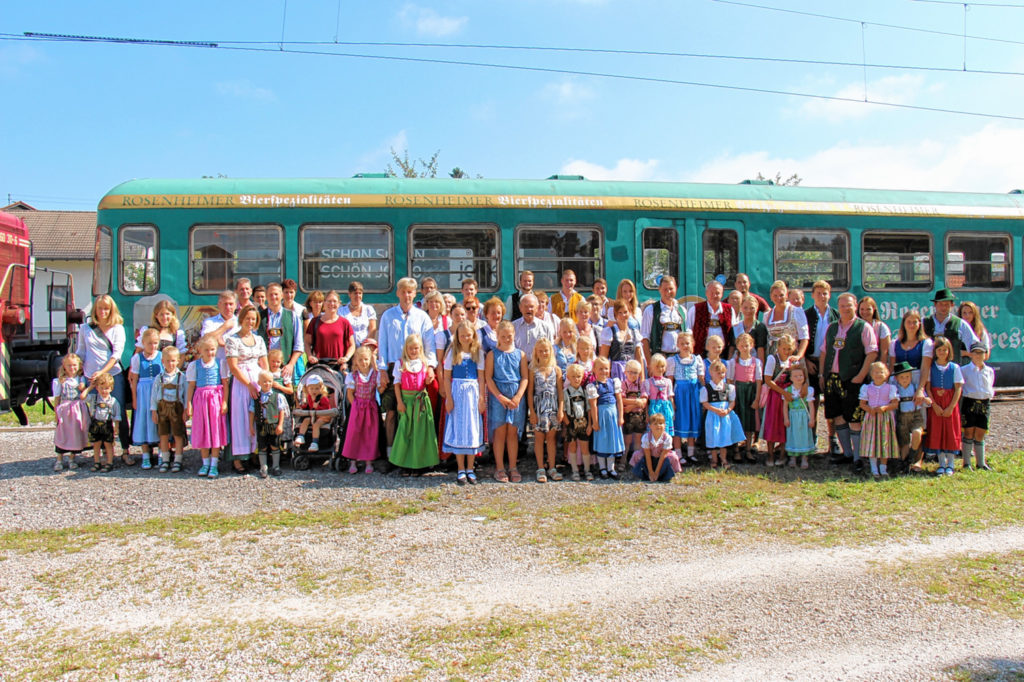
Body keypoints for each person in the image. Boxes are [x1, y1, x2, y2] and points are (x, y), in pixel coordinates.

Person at [378, 278, 438, 462]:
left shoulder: (422, 317)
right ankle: (390, 455)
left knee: (415, 416)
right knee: (392, 412)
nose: (406, 295)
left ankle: (415, 456)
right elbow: (382, 344)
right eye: (403, 291)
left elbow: (430, 347)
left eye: (410, 292)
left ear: (415, 294)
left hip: (416, 371)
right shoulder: (388, 316)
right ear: (398, 293)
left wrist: (430, 367)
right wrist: (381, 371)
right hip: (393, 369)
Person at [819, 292, 878, 471]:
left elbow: (872, 352)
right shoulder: (831, 328)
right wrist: (823, 375)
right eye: (842, 306)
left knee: (854, 418)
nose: (846, 308)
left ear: (855, 306)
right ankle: (847, 454)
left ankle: (858, 457)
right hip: (833, 378)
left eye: (849, 305)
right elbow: (824, 352)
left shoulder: (863, 327)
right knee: (838, 416)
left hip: (852, 378)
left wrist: (861, 375)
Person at [76, 294, 132, 465]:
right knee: (96, 415)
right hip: (90, 375)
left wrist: (102, 372)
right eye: (100, 308)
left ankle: (125, 450)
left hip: (112, 375)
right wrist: (78, 375)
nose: (103, 311)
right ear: (95, 310)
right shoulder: (85, 329)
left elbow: (116, 354)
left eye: (106, 308)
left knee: (119, 412)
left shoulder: (118, 328)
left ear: (111, 309)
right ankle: (100, 453)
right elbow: (81, 352)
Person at [225, 305, 269, 473]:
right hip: (241, 382)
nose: (250, 322)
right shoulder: (232, 340)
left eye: (253, 319)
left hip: (257, 378)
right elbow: (233, 367)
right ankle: (238, 458)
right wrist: (248, 384)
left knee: (257, 416)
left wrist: (265, 380)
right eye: (247, 318)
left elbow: (264, 363)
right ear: (241, 319)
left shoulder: (258, 339)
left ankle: (255, 453)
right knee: (241, 418)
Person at [442, 321, 486, 484]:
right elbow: (446, 377)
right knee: (459, 428)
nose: (466, 338)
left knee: (471, 428)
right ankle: (461, 468)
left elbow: (481, 377)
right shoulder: (452, 352)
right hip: (457, 392)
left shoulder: (478, 353)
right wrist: (449, 398)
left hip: (472, 393)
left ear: (473, 336)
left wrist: (481, 398)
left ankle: (470, 468)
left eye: (468, 335)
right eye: (462, 336)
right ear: (457, 337)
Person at [390, 334, 440, 475]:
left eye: (416, 348)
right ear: (406, 348)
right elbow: (397, 385)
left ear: (420, 349)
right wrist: (399, 402)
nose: (413, 351)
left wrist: (429, 380)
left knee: (421, 432)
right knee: (406, 432)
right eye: (411, 348)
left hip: (421, 402)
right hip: (407, 401)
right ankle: (404, 463)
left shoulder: (424, 363)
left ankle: (420, 464)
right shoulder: (401, 363)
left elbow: (427, 382)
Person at [486, 321, 528, 482]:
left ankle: (513, 466)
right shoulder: (492, 354)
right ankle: (499, 467)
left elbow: (524, 377)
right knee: (500, 432)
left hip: (516, 396)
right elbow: (489, 378)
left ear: (514, 335)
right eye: (503, 336)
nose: (506, 339)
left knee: (513, 433)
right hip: (499, 397)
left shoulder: (520, 354)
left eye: (509, 336)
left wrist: (518, 396)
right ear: (498, 336)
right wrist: (499, 396)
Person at [186, 334, 229, 479]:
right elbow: (191, 386)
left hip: (215, 399)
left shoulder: (220, 363)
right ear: (200, 350)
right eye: (206, 350)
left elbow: (225, 384)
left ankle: (214, 464)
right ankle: (205, 462)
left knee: (215, 430)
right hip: (200, 400)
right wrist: (189, 404)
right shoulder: (195, 365)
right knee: (203, 430)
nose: (210, 353)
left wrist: (224, 402)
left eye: (212, 350)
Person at [805, 280, 839, 455]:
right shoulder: (806, 315)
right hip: (811, 362)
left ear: (829, 295)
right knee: (812, 402)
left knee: (831, 404)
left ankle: (832, 440)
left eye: (825, 293)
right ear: (812, 295)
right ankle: (812, 437)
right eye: (818, 293)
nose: (822, 296)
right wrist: (805, 361)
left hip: (831, 364)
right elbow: (800, 340)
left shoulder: (836, 315)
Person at [926, 336, 963, 476]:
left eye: (944, 350)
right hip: (936, 404)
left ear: (949, 351)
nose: (942, 352)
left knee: (950, 432)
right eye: (939, 349)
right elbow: (928, 388)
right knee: (938, 432)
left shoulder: (954, 368)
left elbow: (958, 388)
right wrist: (934, 405)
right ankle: (941, 463)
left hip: (949, 404)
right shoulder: (931, 367)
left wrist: (951, 407)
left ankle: (951, 464)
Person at [341, 346, 381, 473]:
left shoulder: (375, 375)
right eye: (361, 360)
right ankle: (353, 461)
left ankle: (369, 461)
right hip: (358, 408)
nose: (364, 362)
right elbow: (350, 394)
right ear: (356, 362)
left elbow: (379, 389)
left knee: (370, 434)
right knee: (355, 433)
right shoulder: (353, 376)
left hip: (370, 407)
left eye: (366, 359)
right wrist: (356, 407)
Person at [529, 338, 563, 483]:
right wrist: (532, 411)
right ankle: (540, 468)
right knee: (539, 438)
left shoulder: (556, 370)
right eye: (540, 350)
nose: (543, 353)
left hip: (553, 407)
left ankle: (552, 466)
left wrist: (561, 409)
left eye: (546, 350)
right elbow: (530, 392)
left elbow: (560, 392)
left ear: (551, 351)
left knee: (551, 438)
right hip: (539, 407)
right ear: (536, 352)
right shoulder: (533, 369)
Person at [700, 360, 745, 469]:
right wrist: (715, 410)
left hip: (725, 416)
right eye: (718, 372)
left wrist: (727, 410)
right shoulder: (706, 388)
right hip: (713, 416)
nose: (721, 375)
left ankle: (723, 459)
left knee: (724, 437)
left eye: (723, 373)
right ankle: (714, 459)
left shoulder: (729, 388)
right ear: (711, 373)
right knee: (713, 437)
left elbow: (732, 401)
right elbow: (704, 403)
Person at [150, 346, 187, 473]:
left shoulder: (181, 377)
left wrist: (187, 410)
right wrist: (154, 411)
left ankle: (178, 459)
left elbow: (186, 395)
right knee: (163, 435)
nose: (170, 364)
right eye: (167, 361)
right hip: (162, 409)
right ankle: (165, 459)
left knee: (178, 434)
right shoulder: (159, 378)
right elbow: (154, 396)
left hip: (177, 409)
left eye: (173, 360)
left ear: (178, 361)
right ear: (162, 361)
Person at [859, 362, 899, 480]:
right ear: (871, 374)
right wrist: (869, 409)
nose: (878, 374)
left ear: (887, 374)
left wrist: (885, 408)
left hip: (885, 418)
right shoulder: (866, 388)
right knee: (872, 441)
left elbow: (895, 403)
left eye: (881, 372)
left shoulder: (890, 388)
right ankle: (873, 468)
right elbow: (862, 404)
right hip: (872, 418)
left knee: (884, 442)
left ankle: (883, 467)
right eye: (876, 372)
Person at [258, 283, 305, 384]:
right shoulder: (259, 317)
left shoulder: (292, 316)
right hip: (264, 367)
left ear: (281, 295)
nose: (273, 297)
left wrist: (291, 365)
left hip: (285, 367)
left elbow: (299, 345)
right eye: (270, 294)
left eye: (276, 294)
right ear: (266, 296)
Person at [128, 328, 162, 468]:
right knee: (143, 419)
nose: (152, 346)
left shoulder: (160, 356)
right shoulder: (137, 358)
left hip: (157, 390)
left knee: (158, 421)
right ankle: (146, 455)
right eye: (149, 343)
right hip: (143, 391)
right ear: (143, 343)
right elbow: (134, 380)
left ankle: (161, 453)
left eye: (155, 343)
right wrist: (134, 399)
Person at [889, 310, 934, 413]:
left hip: (917, 380)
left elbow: (925, 368)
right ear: (904, 323)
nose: (911, 325)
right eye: (909, 322)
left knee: (916, 417)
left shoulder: (926, 343)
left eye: (915, 322)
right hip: (898, 383)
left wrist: (920, 390)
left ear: (919, 324)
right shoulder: (894, 343)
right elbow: (892, 367)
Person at [668, 331, 702, 465]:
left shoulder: (697, 360)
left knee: (692, 420)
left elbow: (701, 378)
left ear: (692, 344)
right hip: (680, 393)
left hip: (693, 393)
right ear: (677, 345)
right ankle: (678, 453)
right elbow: (670, 380)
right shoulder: (673, 360)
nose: (685, 346)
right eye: (682, 344)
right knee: (679, 421)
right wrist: (671, 398)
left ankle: (691, 453)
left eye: (687, 343)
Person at [762, 334, 796, 467]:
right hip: (775, 396)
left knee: (785, 424)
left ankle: (782, 454)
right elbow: (768, 380)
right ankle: (770, 454)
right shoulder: (772, 359)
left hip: (788, 396)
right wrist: (783, 393)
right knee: (772, 423)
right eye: (784, 348)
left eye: (789, 349)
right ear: (779, 347)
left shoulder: (793, 361)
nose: (786, 352)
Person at [588, 356, 625, 479]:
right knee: (602, 440)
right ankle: (602, 468)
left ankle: (611, 467)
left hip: (613, 413)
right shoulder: (593, 386)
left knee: (612, 440)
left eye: (606, 369)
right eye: (601, 369)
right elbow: (593, 406)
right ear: (594, 370)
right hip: (602, 414)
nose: (604, 371)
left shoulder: (614, 382)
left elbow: (619, 401)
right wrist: (595, 421)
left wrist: (621, 417)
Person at [728, 333, 762, 463]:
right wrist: (732, 398)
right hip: (738, 393)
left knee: (750, 422)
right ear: (737, 346)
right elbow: (730, 380)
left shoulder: (756, 362)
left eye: (747, 345)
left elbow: (759, 381)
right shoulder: (733, 362)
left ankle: (748, 449)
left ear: (752, 346)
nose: (744, 348)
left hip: (750, 393)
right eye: (741, 345)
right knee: (737, 421)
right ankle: (736, 450)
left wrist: (757, 398)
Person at [961, 342, 995, 471]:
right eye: (975, 353)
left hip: (984, 402)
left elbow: (990, 385)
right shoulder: (965, 370)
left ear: (985, 355)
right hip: (970, 401)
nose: (978, 355)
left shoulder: (989, 371)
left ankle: (981, 463)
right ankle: (966, 463)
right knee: (968, 431)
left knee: (981, 431)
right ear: (971, 354)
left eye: (981, 353)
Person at [51, 353, 89, 471]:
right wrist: (56, 413)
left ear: (79, 366)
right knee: (63, 433)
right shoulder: (60, 381)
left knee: (76, 433)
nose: (72, 368)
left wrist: (85, 387)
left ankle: (72, 458)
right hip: (66, 409)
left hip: (78, 409)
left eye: (74, 365)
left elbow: (84, 392)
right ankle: (59, 459)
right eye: (69, 365)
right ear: (64, 366)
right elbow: (57, 399)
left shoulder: (81, 379)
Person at [641, 275, 687, 365]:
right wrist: (650, 363)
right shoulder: (651, 310)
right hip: (660, 360)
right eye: (665, 289)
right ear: (659, 289)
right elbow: (644, 339)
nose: (668, 292)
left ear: (676, 288)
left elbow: (687, 336)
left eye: (671, 288)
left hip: (679, 359)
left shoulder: (682, 310)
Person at [924, 288, 978, 363]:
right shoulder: (924, 322)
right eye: (940, 304)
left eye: (946, 304)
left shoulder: (960, 324)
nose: (943, 307)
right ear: (935, 304)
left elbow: (975, 346)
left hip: (952, 370)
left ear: (952, 305)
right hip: (929, 369)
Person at [893, 361, 929, 474]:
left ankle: (912, 456)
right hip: (902, 417)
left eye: (907, 376)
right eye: (902, 377)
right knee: (904, 442)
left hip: (915, 415)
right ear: (897, 379)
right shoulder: (895, 390)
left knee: (917, 433)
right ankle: (905, 464)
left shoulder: (915, 388)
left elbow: (923, 399)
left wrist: (926, 400)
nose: (905, 379)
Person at [305, 290, 355, 371]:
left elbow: (352, 345)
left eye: (335, 301)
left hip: (338, 367)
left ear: (339, 304)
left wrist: (346, 358)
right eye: (329, 301)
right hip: (319, 366)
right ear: (324, 303)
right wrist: (310, 356)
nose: (332, 304)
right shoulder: (315, 321)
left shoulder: (344, 323)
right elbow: (307, 342)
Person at [253, 370, 288, 478]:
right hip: (262, 425)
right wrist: (251, 426)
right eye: (264, 381)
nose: (267, 384)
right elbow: (251, 411)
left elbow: (281, 410)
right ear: (259, 382)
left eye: (269, 381)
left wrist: (280, 424)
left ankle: (276, 466)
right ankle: (263, 466)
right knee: (262, 446)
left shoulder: (278, 396)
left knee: (275, 445)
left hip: (274, 424)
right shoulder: (256, 397)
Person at [600, 299, 644, 382]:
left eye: (625, 312)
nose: (623, 315)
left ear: (629, 312)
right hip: (616, 372)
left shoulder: (634, 333)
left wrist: (642, 378)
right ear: (615, 314)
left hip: (633, 372)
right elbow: (603, 358)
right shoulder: (609, 332)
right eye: (620, 313)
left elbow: (639, 357)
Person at [688, 280, 734, 360]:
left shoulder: (729, 310)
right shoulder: (695, 309)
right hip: (701, 354)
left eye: (717, 293)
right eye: (711, 293)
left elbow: (734, 332)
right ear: (706, 293)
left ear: (722, 294)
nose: (714, 295)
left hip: (723, 354)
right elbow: (688, 331)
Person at [763, 280, 809, 360]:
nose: (778, 298)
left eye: (781, 295)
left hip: (792, 356)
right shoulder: (767, 315)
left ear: (786, 295)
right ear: (771, 296)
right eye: (775, 295)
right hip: (773, 358)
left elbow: (804, 337)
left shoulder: (796, 311)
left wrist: (798, 356)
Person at [562, 363, 592, 481]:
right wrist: (567, 423)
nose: (576, 379)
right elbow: (563, 408)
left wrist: (590, 424)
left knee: (585, 447)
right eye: (573, 376)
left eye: (579, 376)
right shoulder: (566, 392)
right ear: (568, 378)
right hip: (571, 423)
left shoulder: (584, 392)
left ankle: (587, 470)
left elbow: (589, 409)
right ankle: (575, 470)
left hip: (584, 422)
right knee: (572, 446)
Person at [85, 372, 120, 473]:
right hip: (96, 424)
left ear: (111, 388)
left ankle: (110, 462)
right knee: (96, 444)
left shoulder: (113, 401)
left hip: (107, 424)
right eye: (101, 388)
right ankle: (97, 462)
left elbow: (117, 416)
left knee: (108, 444)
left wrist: (116, 427)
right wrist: (90, 387)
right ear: (97, 388)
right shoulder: (94, 398)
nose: (104, 391)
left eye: (106, 388)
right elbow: (83, 397)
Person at [630, 413, 681, 482]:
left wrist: (656, 473)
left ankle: (671, 474)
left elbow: (663, 455)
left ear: (665, 425)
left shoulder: (667, 438)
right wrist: (651, 472)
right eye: (655, 424)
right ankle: (638, 473)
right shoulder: (646, 437)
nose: (658, 426)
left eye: (661, 423)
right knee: (637, 454)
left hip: (662, 458)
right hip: (649, 457)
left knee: (673, 457)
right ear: (650, 426)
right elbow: (647, 454)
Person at [783, 363, 816, 470]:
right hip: (793, 416)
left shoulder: (808, 390)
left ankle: (804, 458)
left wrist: (812, 419)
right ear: (791, 378)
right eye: (796, 376)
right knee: (792, 435)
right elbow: (785, 406)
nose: (798, 378)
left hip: (803, 416)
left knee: (804, 436)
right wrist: (786, 418)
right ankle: (792, 457)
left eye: (801, 376)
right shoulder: (788, 390)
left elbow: (811, 406)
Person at [644, 354, 675, 455]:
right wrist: (647, 414)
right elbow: (646, 400)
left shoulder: (667, 381)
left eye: (662, 366)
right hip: (654, 408)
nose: (660, 369)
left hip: (665, 408)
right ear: (652, 367)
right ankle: (654, 452)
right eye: (657, 366)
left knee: (666, 431)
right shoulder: (648, 382)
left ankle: (666, 452)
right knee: (654, 430)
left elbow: (670, 397)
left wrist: (672, 411)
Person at [513, 294, 556, 364]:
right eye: (526, 306)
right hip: (519, 366)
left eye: (531, 306)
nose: (529, 309)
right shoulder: (513, 327)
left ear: (537, 308)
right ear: (520, 308)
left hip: (540, 366)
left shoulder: (545, 327)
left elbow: (552, 350)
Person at [294, 375, 332, 452]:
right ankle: (301, 436)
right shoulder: (309, 397)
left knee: (316, 425)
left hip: (324, 416)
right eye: (311, 389)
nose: (314, 391)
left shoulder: (323, 398)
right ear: (307, 389)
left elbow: (327, 409)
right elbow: (309, 407)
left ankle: (315, 443)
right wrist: (302, 407)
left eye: (317, 388)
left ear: (321, 388)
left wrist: (317, 407)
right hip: (314, 415)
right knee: (306, 420)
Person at [200, 291, 239, 364]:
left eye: (231, 304)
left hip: (237, 364)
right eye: (225, 304)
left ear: (236, 305)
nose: (228, 307)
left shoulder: (241, 323)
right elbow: (205, 340)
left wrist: (224, 343)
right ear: (219, 305)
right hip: (216, 365)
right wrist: (224, 327)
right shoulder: (209, 322)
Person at [620, 359, 647, 459]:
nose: (632, 375)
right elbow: (622, 400)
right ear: (625, 372)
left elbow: (644, 401)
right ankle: (623, 460)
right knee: (627, 440)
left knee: (638, 439)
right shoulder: (624, 384)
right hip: (628, 417)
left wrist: (632, 406)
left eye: (635, 372)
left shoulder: (641, 385)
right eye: (630, 372)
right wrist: (636, 402)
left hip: (639, 416)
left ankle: (636, 460)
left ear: (639, 374)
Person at [732, 294, 768, 365]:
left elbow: (760, 350)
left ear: (757, 308)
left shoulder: (760, 327)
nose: (749, 310)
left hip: (753, 364)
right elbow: (731, 348)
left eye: (752, 308)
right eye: (745, 308)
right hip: (736, 363)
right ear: (741, 308)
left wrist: (760, 371)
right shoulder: (736, 327)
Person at [341, 281, 377, 347]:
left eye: (360, 293)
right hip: (347, 347)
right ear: (349, 294)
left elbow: (372, 329)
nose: (358, 296)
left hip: (365, 347)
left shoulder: (369, 309)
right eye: (355, 293)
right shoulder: (342, 311)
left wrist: (365, 345)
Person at [858, 297, 891, 367]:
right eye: (862, 309)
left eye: (868, 309)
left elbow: (884, 353)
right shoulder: (854, 326)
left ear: (874, 309)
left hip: (874, 368)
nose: (865, 312)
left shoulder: (881, 327)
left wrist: (881, 370)